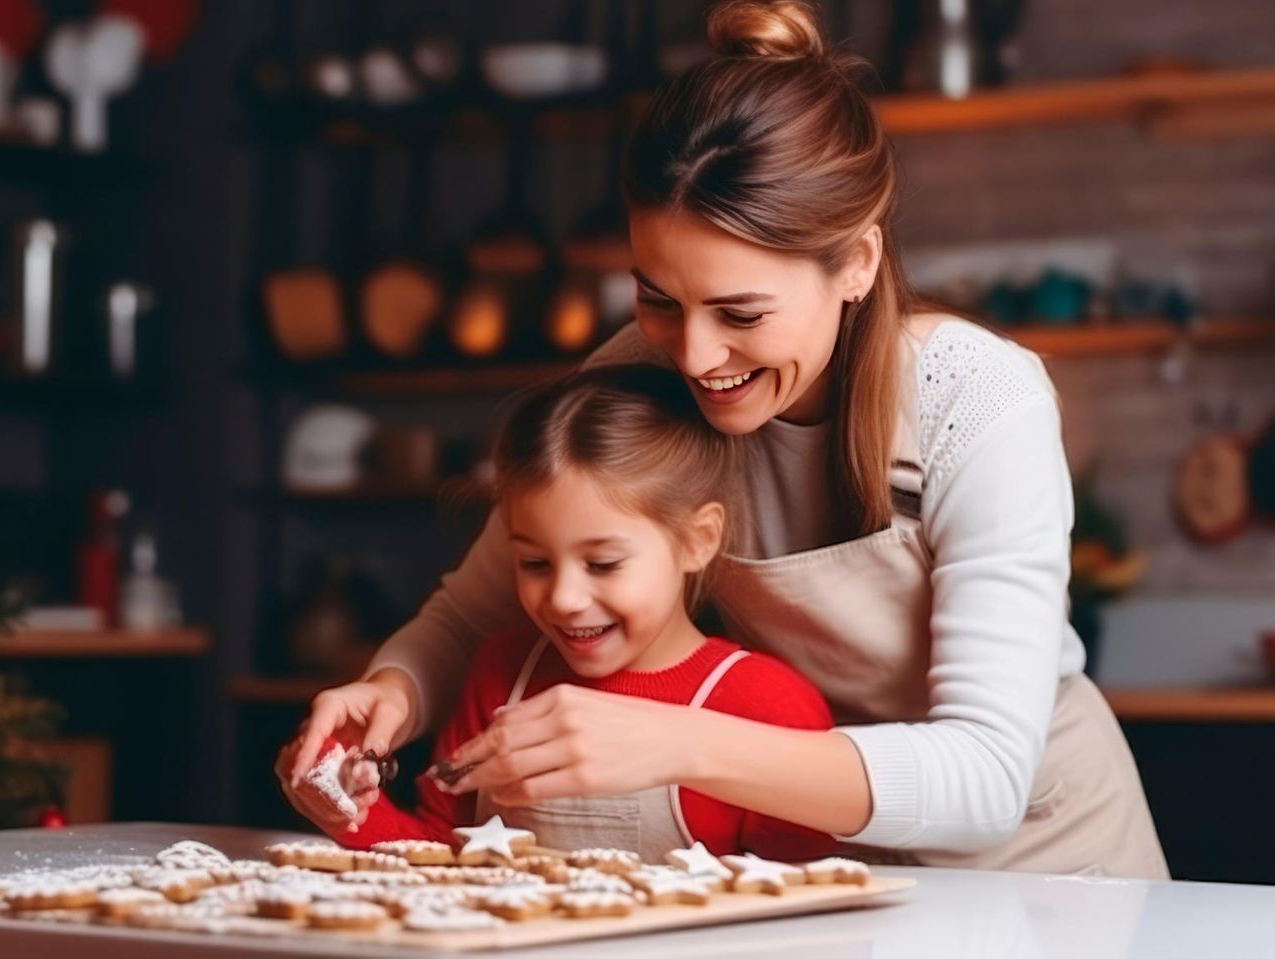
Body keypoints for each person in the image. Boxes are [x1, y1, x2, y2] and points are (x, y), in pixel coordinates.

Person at [281, 0, 1167, 878]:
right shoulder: (636, 366)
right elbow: (477, 608)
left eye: (740, 312)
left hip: (1049, 872)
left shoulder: (977, 397)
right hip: (830, 868)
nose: (696, 357)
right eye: (658, 298)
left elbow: (983, 780)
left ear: (856, 263)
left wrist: (675, 740)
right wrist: (390, 689)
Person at [285, 366, 836, 862]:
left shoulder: (767, 706)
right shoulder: (501, 674)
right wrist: (349, 811)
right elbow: (439, 859)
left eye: (602, 563)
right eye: (534, 562)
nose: (564, 598)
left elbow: (808, 904)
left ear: (698, 540)